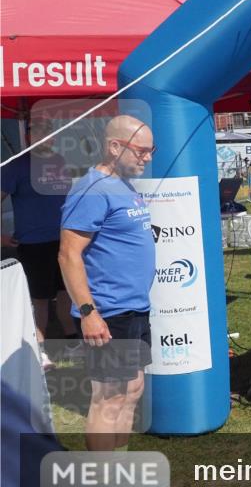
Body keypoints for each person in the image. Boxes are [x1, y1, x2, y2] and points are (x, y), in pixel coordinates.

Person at [59, 115, 156, 451]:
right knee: (109, 398)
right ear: (115, 147)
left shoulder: (122, 184)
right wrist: (88, 312)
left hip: (134, 308)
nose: (148, 158)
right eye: (141, 151)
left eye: (151, 151)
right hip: (108, 311)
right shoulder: (91, 189)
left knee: (132, 390)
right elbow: (68, 254)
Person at [1, 119, 77, 370]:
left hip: (64, 239)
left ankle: (72, 340)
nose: (47, 136)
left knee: (67, 293)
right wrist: (1, 237)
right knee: (39, 299)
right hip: (33, 243)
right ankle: (39, 350)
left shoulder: (60, 162)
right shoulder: (16, 166)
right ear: (29, 136)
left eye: (50, 132)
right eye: (41, 132)